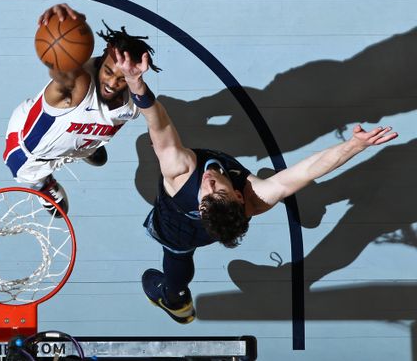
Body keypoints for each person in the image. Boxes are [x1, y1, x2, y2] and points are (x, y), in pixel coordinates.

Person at [110, 50, 399, 324]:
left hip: (178, 223)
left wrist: (136, 84)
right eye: (216, 190)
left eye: (207, 194)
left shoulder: (181, 171)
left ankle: (173, 298)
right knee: (277, 182)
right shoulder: (254, 197)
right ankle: (179, 299)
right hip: (213, 222)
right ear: (238, 195)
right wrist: (355, 145)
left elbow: (159, 126)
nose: (208, 183)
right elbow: (309, 169)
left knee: (177, 251)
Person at [3, 3, 161, 215]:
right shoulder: (76, 87)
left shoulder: (133, 100)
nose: (113, 83)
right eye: (108, 72)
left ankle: (86, 147)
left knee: (95, 142)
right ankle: (45, 186)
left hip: (79, 134)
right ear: (103, 56)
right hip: (28, 154)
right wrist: (59, 33)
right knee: (35, 183)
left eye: (122, 79)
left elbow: (152, 111)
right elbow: (61, 74)